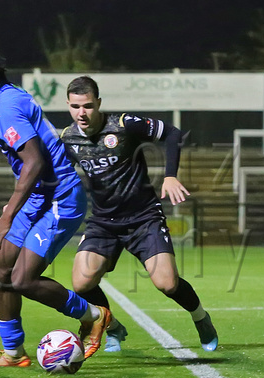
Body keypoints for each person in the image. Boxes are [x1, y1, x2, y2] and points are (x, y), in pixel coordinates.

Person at [0, 33, 117, 367]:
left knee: (22, 279)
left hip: (60, 197)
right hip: (38, 197)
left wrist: (6, 215)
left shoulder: (8, 105)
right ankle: (14, 352)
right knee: (0, 270)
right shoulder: (4, 99)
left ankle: (94, 314)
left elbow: (35, 162)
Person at [60, 75, 218, 353]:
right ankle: (113, 327)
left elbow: (173, 133)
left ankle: (200, 317)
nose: (81, 113)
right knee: (81, 282)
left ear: (98, 103)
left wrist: (170, 176)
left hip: (143, 218)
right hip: (103, 222)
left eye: (87, 106)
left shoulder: (123, 125)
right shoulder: (68, 138)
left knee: (167, 284)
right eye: (75, 107)